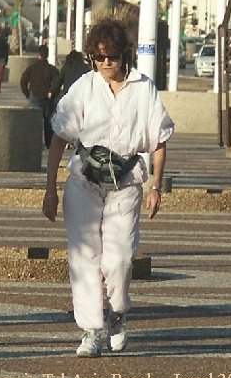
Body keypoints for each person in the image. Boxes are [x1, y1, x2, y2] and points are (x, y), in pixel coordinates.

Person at [42, 19, 174, 357]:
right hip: (84, 182)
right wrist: (50, 188)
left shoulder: (143, 88)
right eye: (97, 58)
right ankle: (91, 330)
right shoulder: (84, 87)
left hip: (126, 183)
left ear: (123, 54)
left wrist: (156, 186)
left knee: (119, 259)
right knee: (84, 257)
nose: (104, 65)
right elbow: (59, 137)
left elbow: (158, 139)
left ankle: (117, 312)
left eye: (110, 58)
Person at [20, 44, 59, 148]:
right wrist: (53, 92)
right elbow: (57, 82)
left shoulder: (32, 68)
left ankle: (34, 142)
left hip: (34, 96)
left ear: (39, 55)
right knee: (48, 122)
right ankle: (48, 143)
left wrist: (27, 93)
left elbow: (23, 81)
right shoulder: (52, 69)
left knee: (34, 122)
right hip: (48, 98)